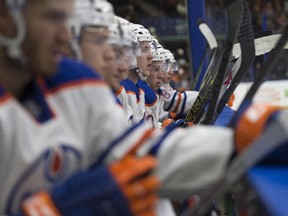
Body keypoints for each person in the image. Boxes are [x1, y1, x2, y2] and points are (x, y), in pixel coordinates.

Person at [0, 0, 273, 215]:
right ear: (4, 16)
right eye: (53, 18)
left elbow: (144, 152)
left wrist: (243, 142)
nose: (64, 35)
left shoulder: (74, 82)